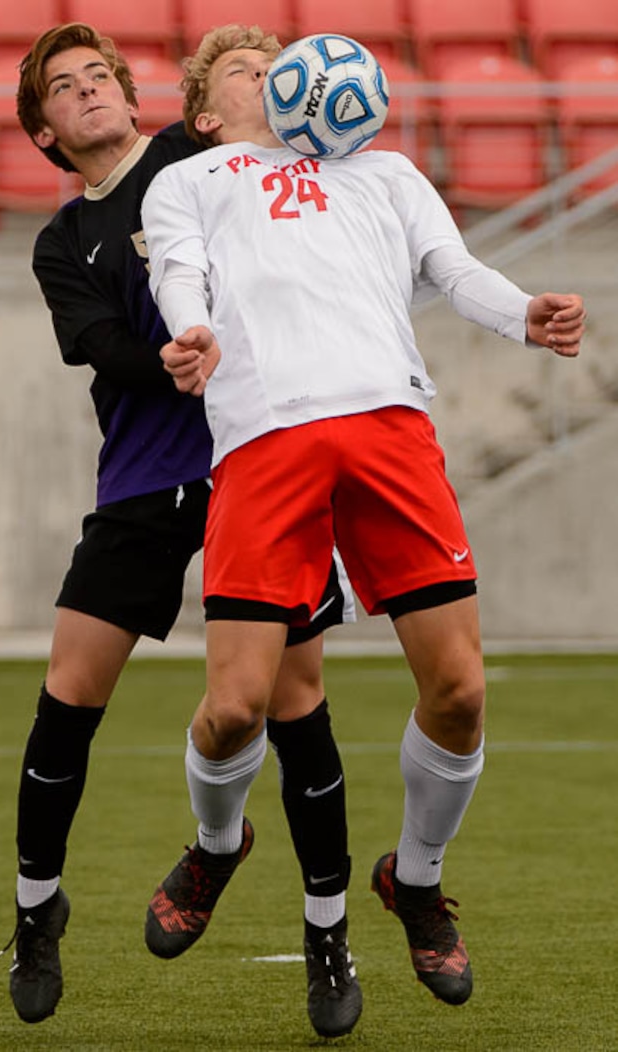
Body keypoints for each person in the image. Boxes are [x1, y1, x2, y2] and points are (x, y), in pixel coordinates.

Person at [141, 22, 586, 1017]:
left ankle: (416, 877)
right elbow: (176, 270)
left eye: (279, 62)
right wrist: (190, 330)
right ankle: (217, 847)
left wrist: (524, 312)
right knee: (232, 708)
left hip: (388, 425)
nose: (278, 74)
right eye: (245, 71)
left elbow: (455, 269)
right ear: (209, 112)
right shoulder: (195, 180)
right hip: (262, 438)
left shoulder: (383, 173)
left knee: (461, 691)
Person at [0, 23, 361, 1041]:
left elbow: (277, 177)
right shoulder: (61, 240)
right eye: (63, 90)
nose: (87, 93)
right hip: (146, 476)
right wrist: (168, 352)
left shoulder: (192, 163)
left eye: (99, 76)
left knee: (295, 702)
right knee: (69, 691)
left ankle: (327, 933)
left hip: (260, 460)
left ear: (131, 91)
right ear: (45, 133)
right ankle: (36, 910)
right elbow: (99, 345)